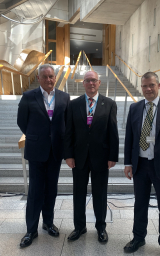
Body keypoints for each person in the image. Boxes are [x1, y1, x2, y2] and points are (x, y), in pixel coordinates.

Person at [123, 72, 160, 256]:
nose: (148, 89)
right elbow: (129, 138)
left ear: (158, 86)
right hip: (140, 165)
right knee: (139, 204)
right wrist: (128, 163)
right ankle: (138, 237)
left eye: (151, 85)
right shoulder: (134, 108)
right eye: (144, 86)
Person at [17, 64, 70, 248]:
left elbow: (66, 123)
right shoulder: (28, 96)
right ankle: (31, 229)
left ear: (55, 78)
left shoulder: (64, 97)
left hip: (55, 151)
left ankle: (48, 222)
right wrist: (36, 137)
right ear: (38, 78)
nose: (49, 79)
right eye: (45, 76)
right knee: (35, 191)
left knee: (51, 190)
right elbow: (22, 121)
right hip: (36, 150)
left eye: (51, 76)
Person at [64, 70, 119, 243]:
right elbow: (68, 132)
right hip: (79, 157)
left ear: (99, 83)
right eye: (88, 80)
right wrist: (68, 155)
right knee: (78, 193)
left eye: (94, 80)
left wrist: (113, 156)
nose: (91, 83)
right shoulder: (74, 104)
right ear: (83, 83)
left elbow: (113, 132)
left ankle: (101, 227)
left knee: (100, 194)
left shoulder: (109, 104)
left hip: (101, 157)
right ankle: (79, 227)